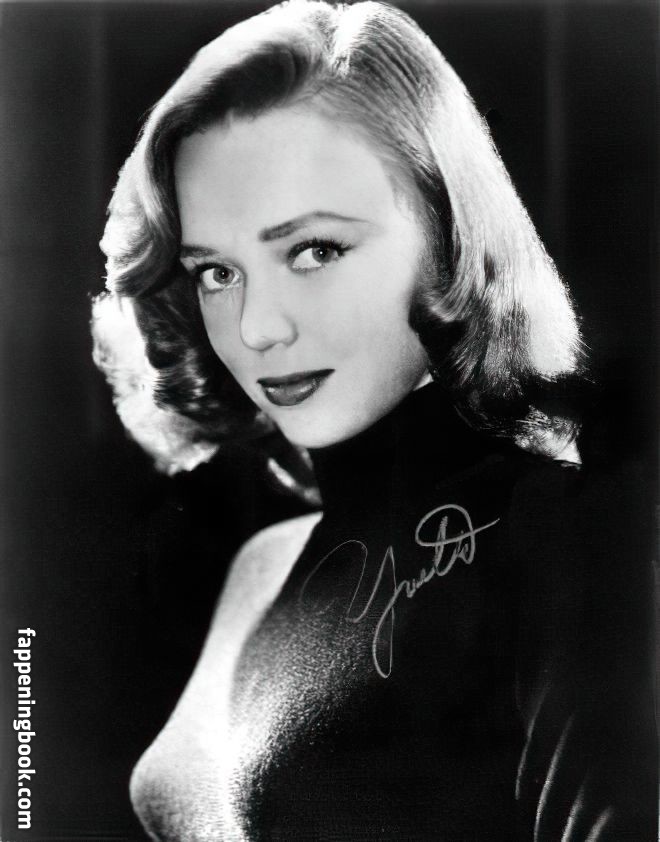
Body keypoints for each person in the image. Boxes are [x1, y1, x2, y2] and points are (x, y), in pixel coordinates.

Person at [91, 1, 657, 839]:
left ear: (446, 240)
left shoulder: (570, 535)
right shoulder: (263, 565)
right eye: (216, 271)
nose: (257, 328)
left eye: (314, 251)